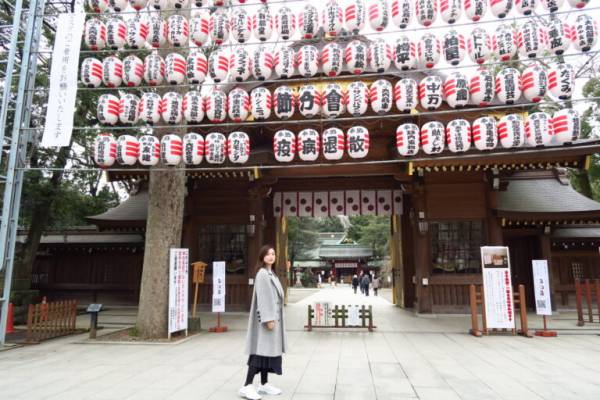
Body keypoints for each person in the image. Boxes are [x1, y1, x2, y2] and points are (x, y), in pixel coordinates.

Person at [240, 245, 287, 400]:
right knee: (260, 353)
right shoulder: (262, 274)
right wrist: (268, 319)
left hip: (273, 320)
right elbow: (264, 298)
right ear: (262, 257)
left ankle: (264, 384)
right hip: (267, 321)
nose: (271, 256)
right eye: (267, 254)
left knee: (267, 353)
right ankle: (247, 386)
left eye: (273, 253)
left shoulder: (271, 273)